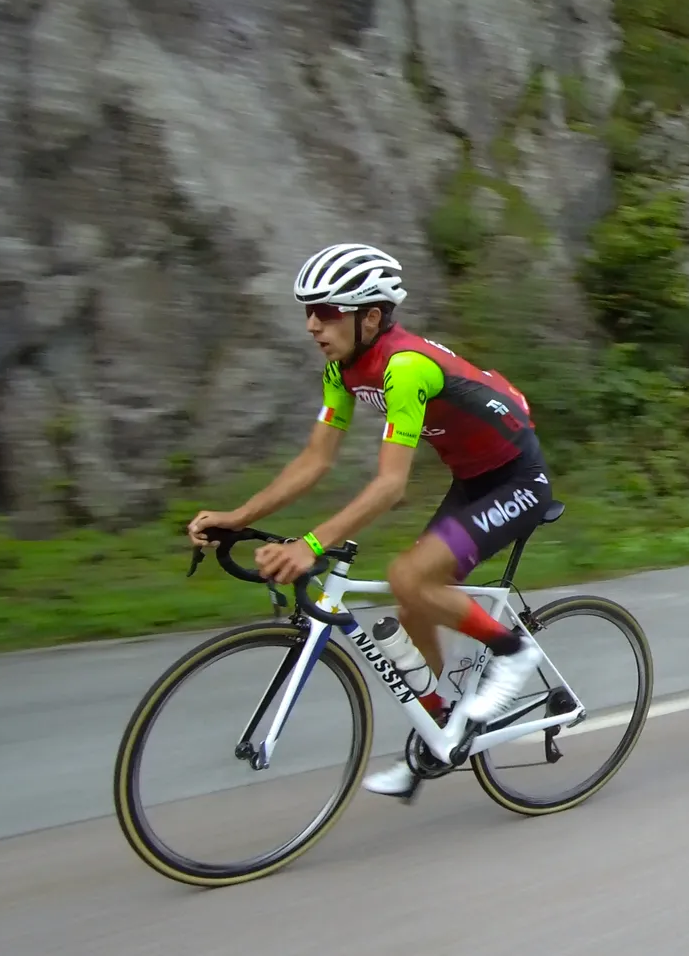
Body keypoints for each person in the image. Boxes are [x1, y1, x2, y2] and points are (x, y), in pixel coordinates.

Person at [187, 244, 550, 800]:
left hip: (516, 478)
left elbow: (390, 486)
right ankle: (441, 730)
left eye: (327, 311)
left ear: (371, 317)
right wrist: (238, 517)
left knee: (410, 577)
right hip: (472, 479)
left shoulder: (404, 368)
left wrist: (311, 543)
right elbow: (315, 461)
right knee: (413, 600)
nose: (312, 324)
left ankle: (513, 652)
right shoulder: (342, 368)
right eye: (308, 310)